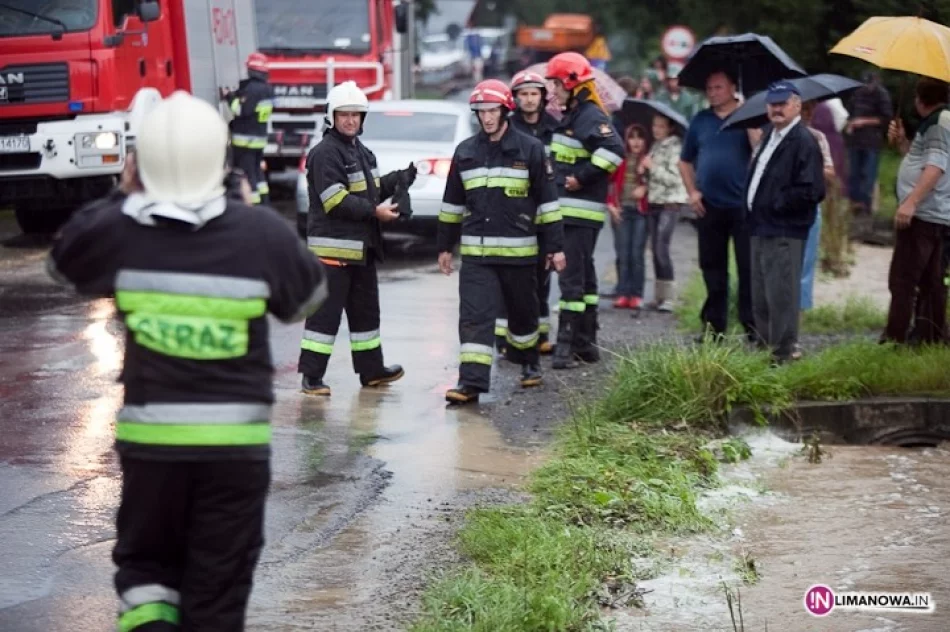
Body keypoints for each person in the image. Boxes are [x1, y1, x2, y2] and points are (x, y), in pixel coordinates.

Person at [47, 91, 328, 630]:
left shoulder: (121, 230)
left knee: (148, 572)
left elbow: (63, 263)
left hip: (153, 448)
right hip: (235, 454)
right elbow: (307, 300)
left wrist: (122, 196)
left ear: (140, 164)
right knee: (217, 590)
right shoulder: (260, 233)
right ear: (222, 161)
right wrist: (249, 212)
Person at [437, 79, 565, 404]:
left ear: (506, 110)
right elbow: (452, 204)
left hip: (519, 254)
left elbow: (548, 202)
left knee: (523, 316)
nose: (488, 118)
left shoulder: (531, 149)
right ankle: (471, 382)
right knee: (475, 317)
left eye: (493, 110)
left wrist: (555, 247)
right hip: (477, 257)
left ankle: (529, 362)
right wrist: (444, 247)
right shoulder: (465, 152)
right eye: (482, 112)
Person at [298, 81, 416, 396]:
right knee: (324, 318)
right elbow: (334, 200)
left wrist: (398, 181)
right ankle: (311, 377)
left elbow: (372, 190)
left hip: (361, 251)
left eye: (356, 114)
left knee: (367, 315)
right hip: (332, 253)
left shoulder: (360, 151)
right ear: (331, 116)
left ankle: (372, 371)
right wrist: (374, 213)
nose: (351, 120)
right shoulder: (325, 153)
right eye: (344, 114)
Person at [545, 52, 626, 369]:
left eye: (555, 84)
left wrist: (581, 177)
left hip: (578, 214)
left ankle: (565, 347)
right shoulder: (575, 116)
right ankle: (585, 344)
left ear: (571, 82)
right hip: (577, 213)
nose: (552, 91)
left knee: (571, 280)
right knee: (586, 280)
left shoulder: (589, 116)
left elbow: (614, 151)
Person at [745, 82, 825, 363]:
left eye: (782, 103)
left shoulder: (803, 140)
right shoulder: (770, 135)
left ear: (797, 106)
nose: (776, 108)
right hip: (761, 226)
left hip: (784, 229)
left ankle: (783, 352)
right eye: (772, 103)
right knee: (762, 295)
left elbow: (813, 190)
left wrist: (776, 203)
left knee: (781, 294)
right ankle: (766, 350)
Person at [679, 70, 761, 341]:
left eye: (718, 88)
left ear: (732, 88)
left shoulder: (749, 116)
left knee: (748, 267)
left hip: (743, 205)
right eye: (709, 88)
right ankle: (714, 326)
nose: (713, 93)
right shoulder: (701, 120)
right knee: (712, 267)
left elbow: (761, 153)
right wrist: (692, 192)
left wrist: (750, 126)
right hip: (709, 205)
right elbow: (685, 160)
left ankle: (752, 325)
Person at [498, 69, 562, 356]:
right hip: (515, 214)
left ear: (543, 97)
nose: (528, 99)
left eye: (534, 93)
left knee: (543, 276)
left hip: (546, 211)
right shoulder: (506, 129)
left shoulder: (558, 128)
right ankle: (504, 336)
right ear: (515, 98)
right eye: (523, 94)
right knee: (509, 280)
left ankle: (541, 334)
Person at [882, 77, 950, 344]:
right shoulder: (937, 122)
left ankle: (894, 337)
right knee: (931, 280)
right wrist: (902, 142)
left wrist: (911, 202)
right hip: (935, 214)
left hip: (924, 214)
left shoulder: (938, 123)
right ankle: (930, 335)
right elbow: (922, 159)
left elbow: (935, 166)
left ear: (919, 100)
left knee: (903, 279)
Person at [642, 112, 688, 311]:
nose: (656, 130)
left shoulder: (675, 147)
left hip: (670, 203)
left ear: (670, 128)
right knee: (654, 249)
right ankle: (659, 296)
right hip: (655, 201)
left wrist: (652, 168)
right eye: (654, 126)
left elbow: (675, 179)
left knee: (662, 248)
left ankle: (670, 297)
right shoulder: (655, 146)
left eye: (661, 126)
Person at [607, 125, 651, 310]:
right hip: (621, 210)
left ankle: (636, 294)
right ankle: (623, 292)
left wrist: (646, 180)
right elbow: (608, 184)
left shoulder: (649, 160)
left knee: (636, 254)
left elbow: (660, 184)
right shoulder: (620, 160)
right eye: (632, 137)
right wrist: (610, 205)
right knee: (622, 254)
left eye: (640, 138)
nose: (636, 141)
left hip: (640, 212)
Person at [222, 52, 274, 205]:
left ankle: (253, 206)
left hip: (246, 142)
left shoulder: (252, 90)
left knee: (248, 175)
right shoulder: (267, 89)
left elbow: (240, 110)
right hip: (259, 140)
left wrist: (229, 97)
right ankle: (265, 202)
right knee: (258, 175)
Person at [800, 100, 837, 311]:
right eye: (804, 109)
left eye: (810, 109)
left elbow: (830, 173)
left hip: (811, 204)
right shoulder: (775, 138)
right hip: (783, 208)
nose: (808, 114)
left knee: (807, 260)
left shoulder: (817, 137)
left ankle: (800, 313)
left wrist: (811, 165)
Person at [845, 71, 893, 230]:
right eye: (864, 84)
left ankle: (866, 207)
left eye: (869, 84)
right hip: (855, 140)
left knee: (868, 174)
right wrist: (850, 123)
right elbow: (850, 113)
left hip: (872, 140)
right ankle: (854, 204)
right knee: (853, 173)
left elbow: (886, 118)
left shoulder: (882, 95)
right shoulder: (857, 94)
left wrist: (864, 121)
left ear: (876, 82)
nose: (867, 87)